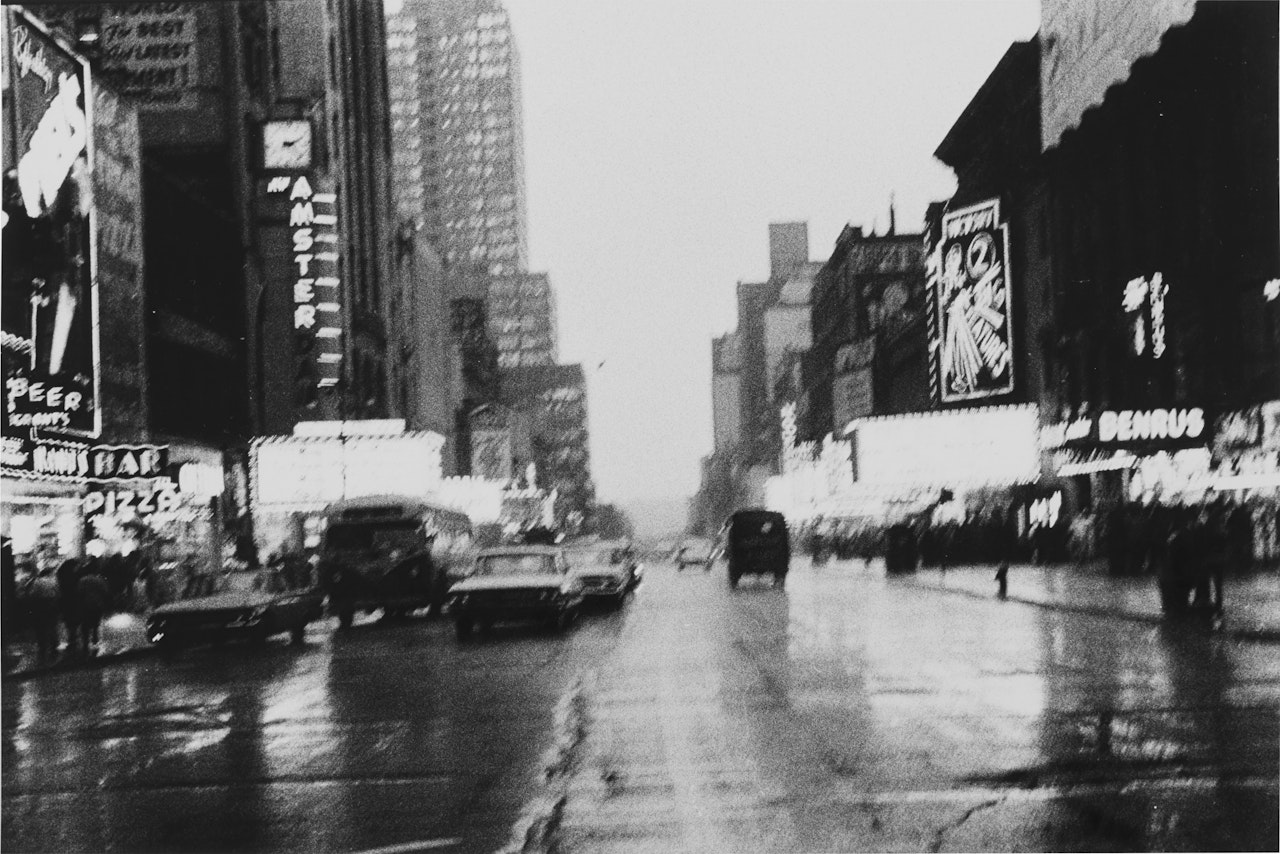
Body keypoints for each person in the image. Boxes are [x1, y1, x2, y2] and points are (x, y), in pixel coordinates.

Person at [23, 565, 62, 662]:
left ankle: (43, 647)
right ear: (49, 573)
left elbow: (33, 594)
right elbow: (58, 593)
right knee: (53, 625)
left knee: (41, 627)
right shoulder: (54, 581)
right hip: (52, 604)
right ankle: (54, 645)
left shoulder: (38, 581)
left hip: (41, 605)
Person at [76, 562, 111, 654]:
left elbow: (79, 592)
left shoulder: (83, 580)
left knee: (85, 624)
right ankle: (95, 639)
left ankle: (85, 642)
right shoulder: (99, 580)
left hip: (86, 604)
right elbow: (105, 591)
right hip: (97, 604)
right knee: (96, 622)